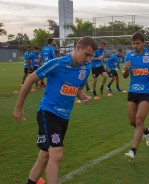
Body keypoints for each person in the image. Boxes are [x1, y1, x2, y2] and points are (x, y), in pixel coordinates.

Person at [13, 36, 97, 184]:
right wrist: (18, 108)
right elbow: (30, 79)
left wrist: (82, 96)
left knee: (44, 156)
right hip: (48, 112)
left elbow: (78, 88)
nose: (88, 58)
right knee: (56, 154)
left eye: (91, 56)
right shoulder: (57, 64)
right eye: (87, 54)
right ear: (78, 48)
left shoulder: (86, 68)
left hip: (64, 117)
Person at [122, 32, 149, 162]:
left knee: (139, 120)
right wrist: (126, 70)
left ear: (143, 43)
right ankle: (146, 132)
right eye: (133, 43)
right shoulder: (128, 56)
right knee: (132, 122)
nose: (135, 46)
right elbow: (124, 75)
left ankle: (133, 151)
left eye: (138, 43)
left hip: (146, 92)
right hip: (132, 91)